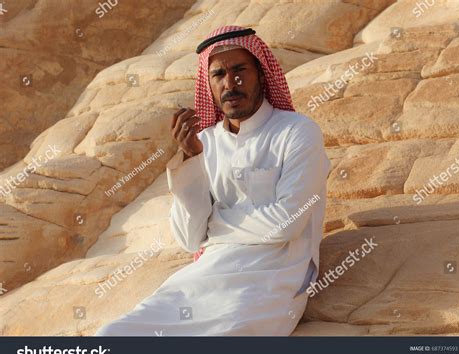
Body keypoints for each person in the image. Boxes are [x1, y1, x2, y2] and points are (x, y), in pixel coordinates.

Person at [95, 25, 330, 336]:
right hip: (205, 276)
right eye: (218, 74)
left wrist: (214, 225)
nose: (230, 83)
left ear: (261, 73)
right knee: (113, 336)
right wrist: (191, 161)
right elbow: (191, 239)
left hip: (272, 277)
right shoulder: (205, 142)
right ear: (209, 85)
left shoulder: (297, 132)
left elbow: (287, 223)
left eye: (239, 70)